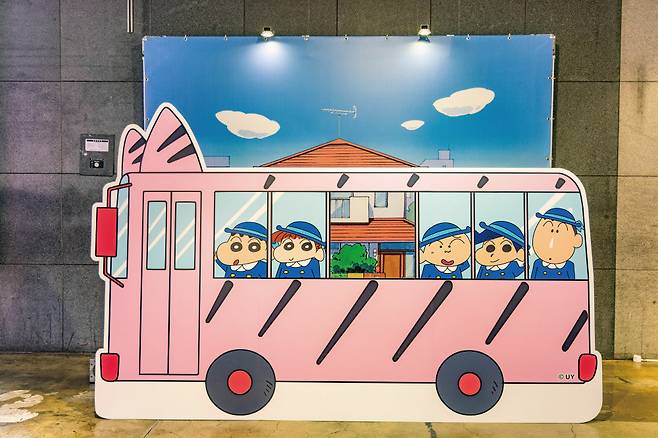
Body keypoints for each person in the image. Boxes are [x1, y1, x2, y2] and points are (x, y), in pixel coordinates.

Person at [531, 207, 583, 280]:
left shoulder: (569, 266)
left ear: (576, 241)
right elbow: (532, 281)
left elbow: (572, 283)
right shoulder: (538, 264)